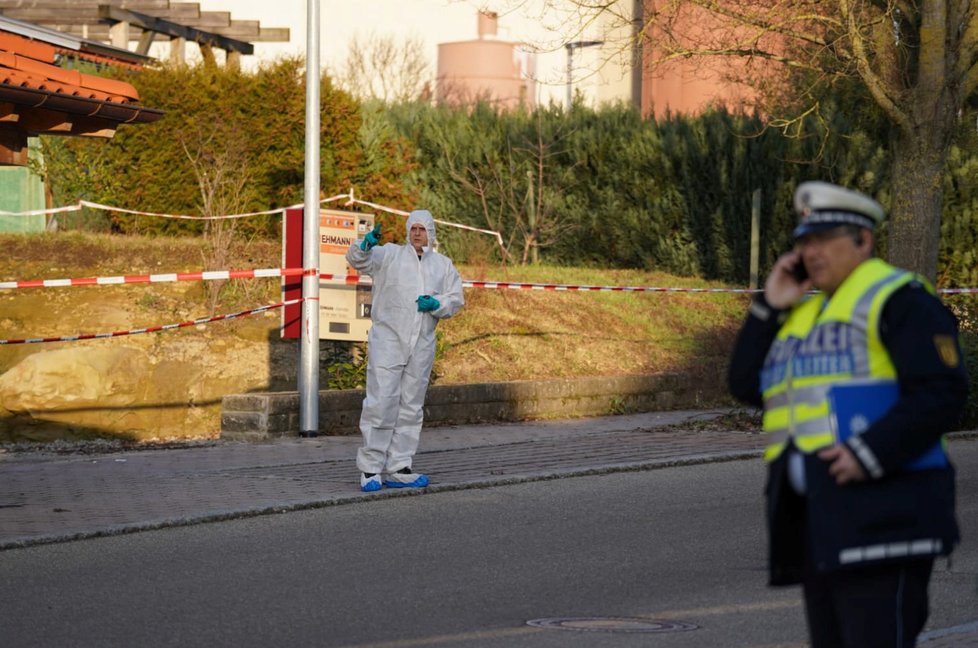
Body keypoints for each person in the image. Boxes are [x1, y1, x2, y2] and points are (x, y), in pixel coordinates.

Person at [727, 181, 967, 648]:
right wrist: (766, 309)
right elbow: (747, 385)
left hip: (885, 516)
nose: (812, 251)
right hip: (824, 520)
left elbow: (942, 390)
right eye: (804, 241)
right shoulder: (804, 313)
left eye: (825, 239)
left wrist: (868, 453)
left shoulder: (900, 299)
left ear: (863, 240)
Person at [346, 209, 464, 493]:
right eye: (413, 228)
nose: (417, 233)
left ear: (431, 232)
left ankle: (400, 466)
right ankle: (371, 468)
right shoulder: (389, 255)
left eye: (422, 229)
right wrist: (364, 244)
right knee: (381, 402)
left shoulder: (443, 266)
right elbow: (357, 260)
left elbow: (456, 298)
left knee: (411, 406)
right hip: (388, 340)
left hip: (421, 343)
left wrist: (436, 304)